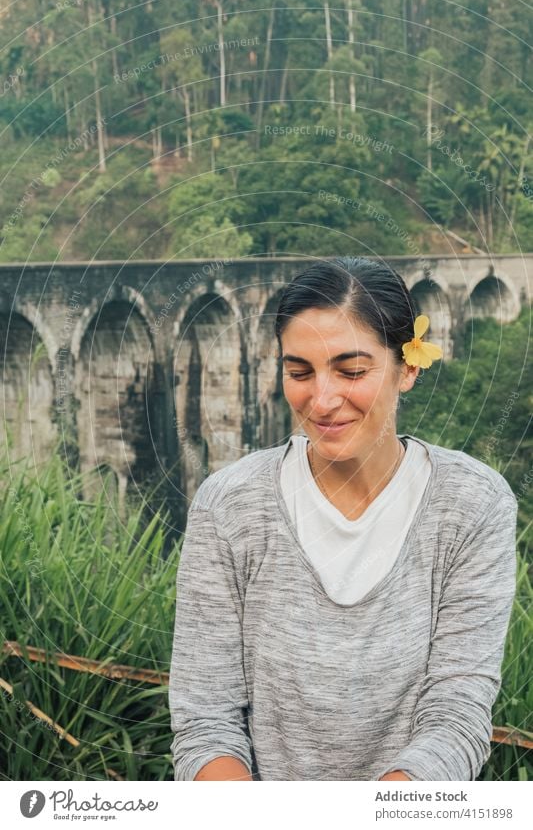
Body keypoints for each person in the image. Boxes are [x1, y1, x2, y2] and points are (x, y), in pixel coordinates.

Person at [168, 256, 518, 781]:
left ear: (409, 367)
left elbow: (456, 713)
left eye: (352, 371)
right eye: (299, 372)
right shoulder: (229, 505)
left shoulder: (474, 502)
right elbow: (205, 717)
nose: (323, 400)